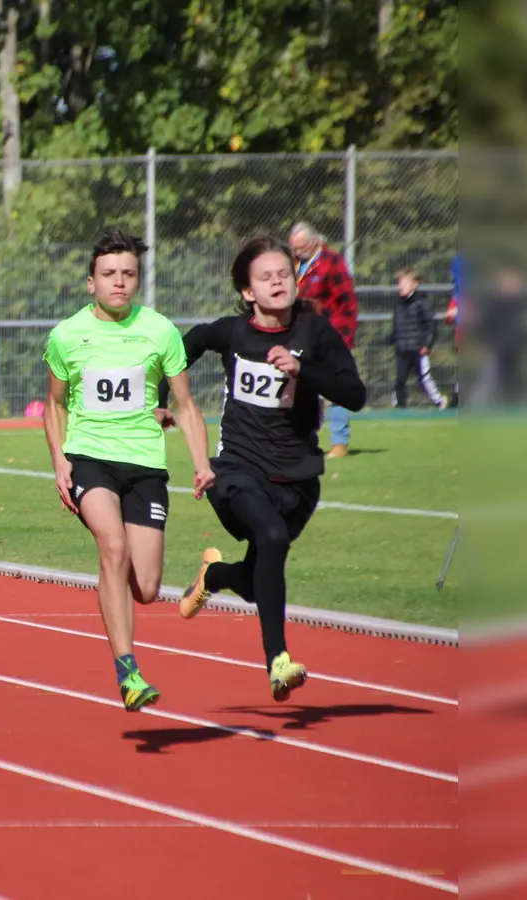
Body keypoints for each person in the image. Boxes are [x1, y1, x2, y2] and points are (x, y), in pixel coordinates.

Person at [172, 236, 366, 701]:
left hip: (297, 481)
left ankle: (215, 576)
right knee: (272, 537)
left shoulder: (314, 333)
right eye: (266, 277)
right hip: (236, 471)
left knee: (260, 583)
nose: (278, 282)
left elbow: (354, 395)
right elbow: (188, 345)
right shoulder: (234, 334)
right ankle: (278, 661)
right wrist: (163, 400)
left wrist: (303, 372)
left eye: (285, 273)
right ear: (247, 291)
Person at [42, 226, 213, 712]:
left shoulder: (160, 331)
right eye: (109, 274)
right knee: (112, 548)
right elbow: (54, 406)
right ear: (90, 281)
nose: (119, 282)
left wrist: (201, 463)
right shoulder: (66, 336)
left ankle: (204, 574)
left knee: (147, 588)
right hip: (89, 459)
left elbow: (184, 404)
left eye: (129, 274)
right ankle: (128, 671)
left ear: (138, 280)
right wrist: (60, 461)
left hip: (144, 465)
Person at [288, 222, 358, 457]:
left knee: (335, 387)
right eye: (293, 248)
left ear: (315, 241)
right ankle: (305, 440)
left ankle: (340, 442)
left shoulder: (332, 262)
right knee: (303, 389)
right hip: (302, 336)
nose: (297, 253)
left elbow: (348, 302)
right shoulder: (293, 265)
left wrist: (345, 338)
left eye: (301, 247)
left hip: (331, 336)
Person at [388, 267, 447, 409]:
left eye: (405, 283)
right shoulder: (399, 304)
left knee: (423, 378)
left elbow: (431, 325)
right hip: (402, 348)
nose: (401, 287)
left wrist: (427, 344)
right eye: (400, 284)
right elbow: (397, 325)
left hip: (418, 348)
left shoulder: (421, 302)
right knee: (400, 379)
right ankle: (400, 406)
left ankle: (439, 401)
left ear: (415, 284)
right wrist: (393, 339)